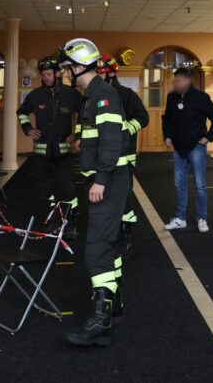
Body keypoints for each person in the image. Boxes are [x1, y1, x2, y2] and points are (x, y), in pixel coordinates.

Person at [59, 38, 130, 347]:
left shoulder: (103, 96)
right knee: (108, 245)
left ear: (79, 66)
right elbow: (99, 137)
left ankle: (101, 321)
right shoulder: (91, 96)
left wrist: (100, 180)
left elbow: (112, 142)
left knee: (97, 249)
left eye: (66, 67)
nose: (64, 72)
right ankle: (115, 305)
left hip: (109, 181)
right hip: (107, 180)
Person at [16, 56, 82, 233]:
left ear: (57, 74)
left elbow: (85, 114)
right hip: (41, 153)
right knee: (43, 189)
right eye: (43, 75)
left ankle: (70, 223)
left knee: (66, 187)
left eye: (49, 74)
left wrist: (77, 134)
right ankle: (50, 220)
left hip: (63, 153)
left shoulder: (71, 94)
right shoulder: (35, 95)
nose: (46, 78)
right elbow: (21, 112)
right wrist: (28, 129)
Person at [96, 54, 149, 255]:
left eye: (100, 73)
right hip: (102, 156)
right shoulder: (94, 96)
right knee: (104, 194)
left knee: (123, 195)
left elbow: (143, 117)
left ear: (110, 74)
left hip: (124, 157)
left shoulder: (126, 95)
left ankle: (126, 231)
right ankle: (109, 229)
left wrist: (126, 129)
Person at [161, 67, 213, 232]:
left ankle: (202, 218)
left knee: (200, 185)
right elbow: (167, 118)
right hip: (178, 148)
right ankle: (180, 219)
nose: (175, 83)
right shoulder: (171, 97)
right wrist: (167, 135)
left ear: (188, 81)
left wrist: (209, 137)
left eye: (178, 81)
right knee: (179, 185)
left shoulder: (201, 98)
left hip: (196, 147)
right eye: (174, 81)